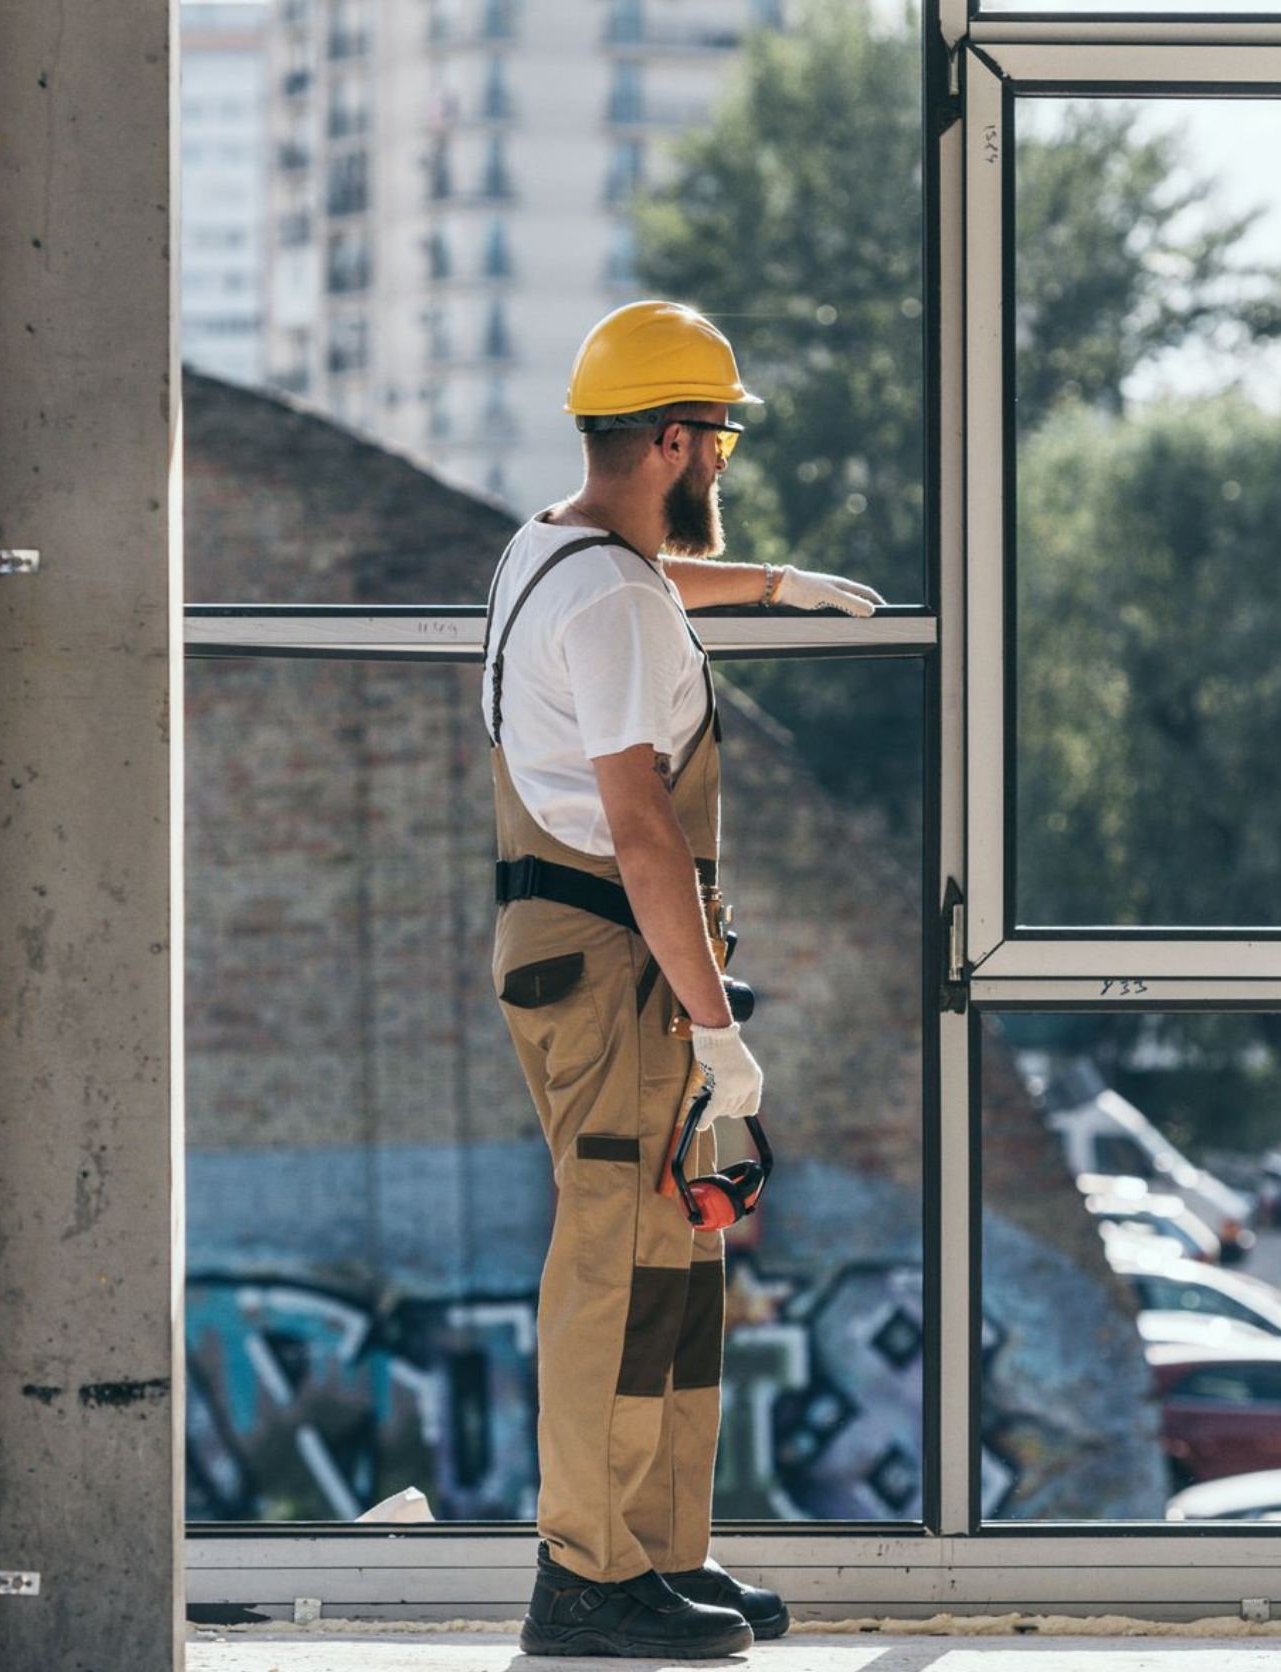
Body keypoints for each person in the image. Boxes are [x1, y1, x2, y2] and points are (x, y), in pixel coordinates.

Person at [484, 299, 884, 1658]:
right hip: (618, 965)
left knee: (676, 1253)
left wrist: (769, 584)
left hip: (594, 958)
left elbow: (642, 596)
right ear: (669, 440)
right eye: (715, 437)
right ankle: (586, 1580)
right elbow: (646, 833)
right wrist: (718, 1032)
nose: (723, 458)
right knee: (615, 1259)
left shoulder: (560, 552)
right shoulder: (614, 604)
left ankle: (659, 1554)